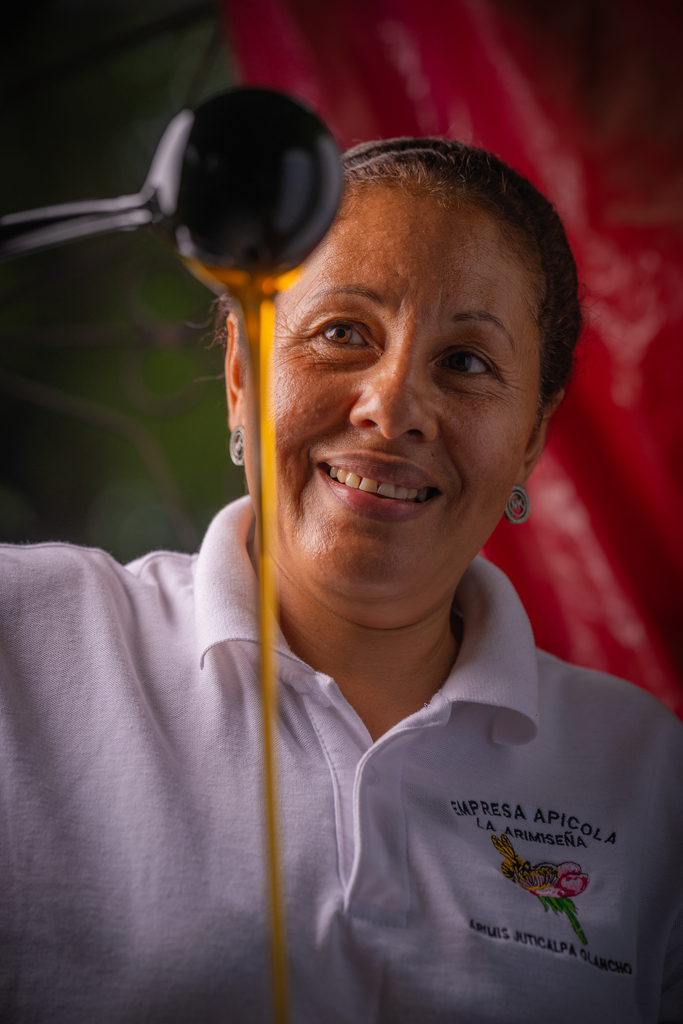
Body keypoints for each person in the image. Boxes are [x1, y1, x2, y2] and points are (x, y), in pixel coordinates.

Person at [0, 137, 681, 1024]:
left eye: (466, 362)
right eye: (341, 334)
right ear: (242, 377)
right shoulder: (28, 637)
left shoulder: (645, 771)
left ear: (530, 439)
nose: (392, 408)